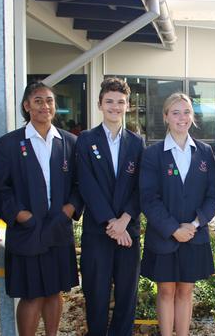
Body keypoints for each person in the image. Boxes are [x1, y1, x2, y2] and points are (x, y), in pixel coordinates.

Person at [0, 82, 83, 336]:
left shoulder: (69, 142)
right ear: (27, 105)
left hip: (58, 228)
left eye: (50, 100)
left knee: (54, 291)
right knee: (32, 294)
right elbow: (0, 189)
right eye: (39, 100)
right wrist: (21, 215)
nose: (45, 105)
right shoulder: (9, 144)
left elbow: (80, 183)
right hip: (27, 230)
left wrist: (69, 209)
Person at [139, 92, 215, 336]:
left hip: (194, 235)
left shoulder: (205, 152)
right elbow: (148, 198)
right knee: (165, 291)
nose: (181, 117)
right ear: (166, 117)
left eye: (186, 112)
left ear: (192, 117)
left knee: (185, 291)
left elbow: (212, 195)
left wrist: (194, 224)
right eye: (175, 112)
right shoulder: (153, 154)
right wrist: (174, 228)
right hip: (164, 236)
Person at [76, 77, 145, 335]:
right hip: (99, 232)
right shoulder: (85, 140)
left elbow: (142, 187)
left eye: (120, 102)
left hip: (128, 233)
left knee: (127, 295)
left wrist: (124, 220)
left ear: (128, 106)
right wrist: (110, 223)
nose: (115, 107)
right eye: (109, 102)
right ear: (99, 104)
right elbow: (86, 185)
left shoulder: (137, 143)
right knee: (96, 293)